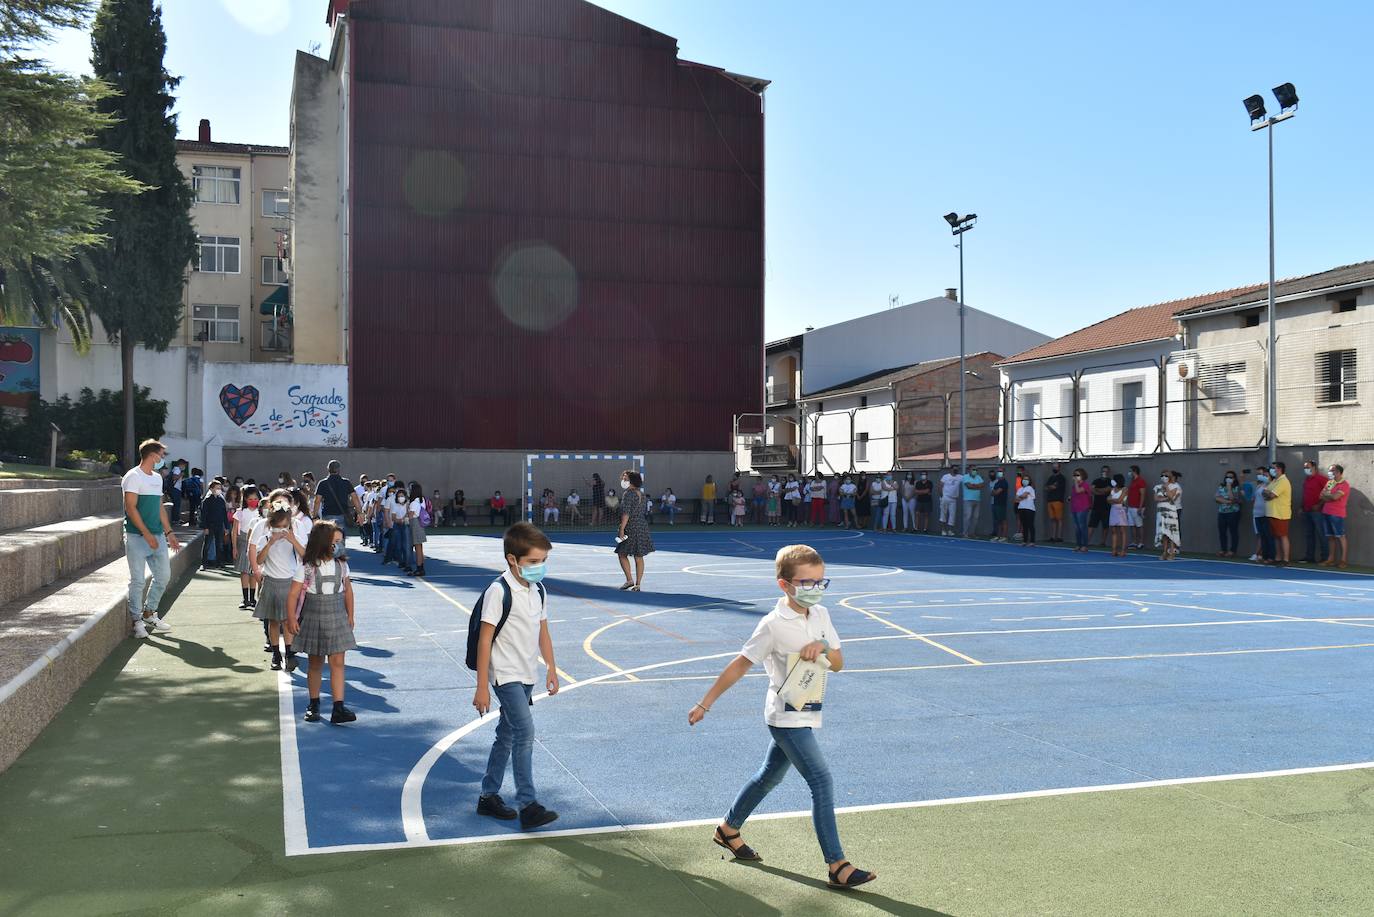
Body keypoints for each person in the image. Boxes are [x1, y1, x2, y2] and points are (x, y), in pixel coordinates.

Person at [687, 544, 875, 890]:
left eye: (821, 582)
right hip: (784, 716)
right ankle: (837, 865)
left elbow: (839, 662)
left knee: (767, 777)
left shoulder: (821, 616)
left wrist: (823, 647)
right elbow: (741, 664)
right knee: (822, 781)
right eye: (807, 583)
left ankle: (728, 829)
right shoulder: (772, 625)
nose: (815, 589)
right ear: (784, 585)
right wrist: (706, 703)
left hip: (809, 709)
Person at [472, 522, 560, 830]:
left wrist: (551, 667)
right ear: (513, 559)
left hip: (527, 673)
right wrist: (482, 686)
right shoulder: (499, 591)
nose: (540, 567)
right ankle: (528, 805)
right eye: (533, 562)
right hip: (505, 675)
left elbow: (543, 631)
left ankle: (488, 796)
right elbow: (485, 640)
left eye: (543, 561)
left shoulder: (538, 590)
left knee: (506, 735)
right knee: (524, 732)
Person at [285, 520, 357, 725]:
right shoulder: (307, 567)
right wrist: (291, 618)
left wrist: (350, 615)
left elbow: (348, 591)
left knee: (338, 662)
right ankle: (314, 704)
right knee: (315, 663)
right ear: (323, 542)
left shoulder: (342, 565)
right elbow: (293, 594)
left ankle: (338, 707)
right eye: (335, 541)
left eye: (341, 542)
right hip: (314, 614)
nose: (339, 545)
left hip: (337, 615)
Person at [121, 440, 181, 639]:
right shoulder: (132, 476)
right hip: (137, 537)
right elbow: (130, 508)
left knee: (163, 576)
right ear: (152, 455)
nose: (163, 459)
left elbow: (159, 507)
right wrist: (146, 534)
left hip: (157, 536)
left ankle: (149, 613)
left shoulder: (157, 478)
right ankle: (136, 621)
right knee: (138, 581)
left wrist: (169, 533)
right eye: (162, 455)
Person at [249, 504, 302, 672]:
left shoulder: (294, 537)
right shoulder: (265, 538)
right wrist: (270, 542)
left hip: (290, 582)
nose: (280, 529)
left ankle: (289, 652)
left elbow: (306, 556)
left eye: (284, 525)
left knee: (288, 620)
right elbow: (259, 560)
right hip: (271, 581)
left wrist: (293, 539)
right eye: (277, 526)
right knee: (273, 621)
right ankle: (276, 655)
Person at [616, 470, 655, 591]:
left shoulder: (628, 494)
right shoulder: (641, 494)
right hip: (642, 525)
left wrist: (622, 528)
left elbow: (626, 513)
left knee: (622, 553)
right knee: (639, 555)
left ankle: (629, 580)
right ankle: (638, 584)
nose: (623, 480)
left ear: (632, 481)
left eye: (626, 478)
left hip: (631, 526)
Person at [316, 460, 362, 545]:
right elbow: (355, 498)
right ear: (339, 470)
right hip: (342, 513)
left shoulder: (323, 483)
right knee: (340, 539)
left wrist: (314, 514)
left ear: (328, 469)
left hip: (327, 513)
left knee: (327, 539)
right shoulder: (346, 482)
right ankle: (340, 556)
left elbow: (317, 501)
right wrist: (360, 513)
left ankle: (328, 556)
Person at [232, 486, 263, 609]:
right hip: (243, 541)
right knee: (244, 571)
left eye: (256, 498)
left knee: (253, 571)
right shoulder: (240, 512)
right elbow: (234, 531)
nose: (253, 501)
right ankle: (245, 599)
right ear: (245, 499)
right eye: (250, 499)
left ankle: (252, 598)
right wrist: (234, 547)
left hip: (256, 542)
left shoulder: (260, 513)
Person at [1319, 464, 1350, 568]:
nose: (1330, 472)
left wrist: (1329, 496)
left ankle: (1343, 560)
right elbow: (1321, 496)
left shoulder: (1344, 484)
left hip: (1337, 514)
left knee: (1340, 536)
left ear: (1338, 472)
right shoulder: (1330, 483)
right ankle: (1330, 559)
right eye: (1329, 470)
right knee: (1330, 537)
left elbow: (1335, 497)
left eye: (1332, 470)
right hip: (1326, 512)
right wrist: (1329, 497)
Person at [1262, 462, 1292, 567]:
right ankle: (1278, 558)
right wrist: (1268, 494)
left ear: (1279, 469)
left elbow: (1271, 495)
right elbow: (1264, 493)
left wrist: (1268, 494)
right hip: (1272, 513)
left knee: (1283, 536)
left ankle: (1286, 559)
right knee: (1276, 537)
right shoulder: (1275, 481)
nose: (1271, 470)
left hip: (1280, 514)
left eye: (1273, 468)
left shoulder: (1283, 481)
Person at [1300, 461, 1330, 565]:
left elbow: (1328, 492)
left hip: (1318, 512)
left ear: (1314, 467)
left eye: (1308, 467)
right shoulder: (1307, 479)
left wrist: (1319, 505)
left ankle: (1325, 557)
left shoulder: (1321, 479)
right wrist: (1301, 507)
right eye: (1304, 467)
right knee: (1309, 535)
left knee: (1322, 534)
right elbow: (1305, 494)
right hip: (1307, 511)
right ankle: (1309, 557)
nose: (1306, 469)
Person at [199, 479, 229, 570]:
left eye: (220, 488)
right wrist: (205, 527)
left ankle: (219, 562)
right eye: (217, 488)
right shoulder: (207, 500)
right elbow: (203, 515)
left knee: (219, 544)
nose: (219, 490)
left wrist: (226, 526)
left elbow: (224, 514)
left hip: (219, 525)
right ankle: (204, 563)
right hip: (210, 525)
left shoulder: (221, 500)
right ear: (211, 489)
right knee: (207, 544)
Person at [1154, 470, 1183, 561]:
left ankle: (1172, 552)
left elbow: (1172, 498)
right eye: (1162, 475)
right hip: (1161, 512)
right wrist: (1165, 499)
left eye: (1166, 476)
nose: (1164, 477)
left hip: (1171, 512)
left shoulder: (1175, 486)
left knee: (1171, 532)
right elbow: (1156, 498)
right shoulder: (1157, 486)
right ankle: (1164, 552)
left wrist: (1166, 487)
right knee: (1163, 532)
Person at [1215, 471, 1243, 557]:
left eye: (1231, 477)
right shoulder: (1221, 486)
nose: (1228, 479)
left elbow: (1233, 498)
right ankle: (1223, 549)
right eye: (1227, 477)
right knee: (1222, 532)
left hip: (1233, 513)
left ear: (1234, 478)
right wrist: (1227, 502)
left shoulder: (1237, 488)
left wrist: (1229, 487)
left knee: (1233, 532)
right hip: (1222, 512)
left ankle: (1232, 551)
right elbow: (1216, 498)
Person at [1251, 469, 1273, 563]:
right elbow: (1253, 498)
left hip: (1266, 513)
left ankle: (1270, 556)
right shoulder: (1260, 486)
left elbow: (1269, 497)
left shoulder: (1271, 485)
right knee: (1261, 535)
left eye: (1266, 475)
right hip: (1257, 513)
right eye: (1263, 475)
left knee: (1268, 535)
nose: (1264, 477)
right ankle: (1262, 555)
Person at [407, 482, 429, 577]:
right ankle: (421, 567)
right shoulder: (421, 500)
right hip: (419, 524)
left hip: (415, 524)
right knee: (419, 547)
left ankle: (419, 567)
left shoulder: (414, 502)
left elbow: (411, 515)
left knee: (418, 547)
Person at [1070, 468, 1092, 552]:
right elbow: (1074, 494)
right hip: (1075, 508)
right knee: (1077, 527)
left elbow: (1078, 491)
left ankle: (1084, 545)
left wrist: (1076, 482)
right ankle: (1078, 544)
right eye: (1075, 475)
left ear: (1082, 476)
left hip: (1082, 508)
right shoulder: (1074, 486)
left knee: (1082, 526)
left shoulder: (1085, 485)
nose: (1076, 477)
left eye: (1078, 475)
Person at [1090, 466, 1112, 546]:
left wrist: (1098, 489)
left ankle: (1103, 542)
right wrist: (1101, 491)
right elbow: (1091, 490)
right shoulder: (1096, 481)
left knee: (1105, 525)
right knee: (1092, 524)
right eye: (1103, 471)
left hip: (1106, 507)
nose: (1104, 473)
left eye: (1106, 471)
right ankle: (1087, 541)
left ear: (1108, 472)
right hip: (1096, 506)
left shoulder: (1110, 481)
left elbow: (1108, 489)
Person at [1126, 465, 1147, 550]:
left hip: (1137, 507)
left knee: (1139, 525)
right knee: (1132, 525)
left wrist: (1140, 507)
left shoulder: (1141, 481)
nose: (1129, 473)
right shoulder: (1132, 481)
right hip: (1130, 506)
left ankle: (1141, 542)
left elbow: (1143, 494)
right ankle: (1134, 542)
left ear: (1134, 471)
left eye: (1130, 471)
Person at [1044, 463, 1066, 543]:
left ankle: (1059, 537)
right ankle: (1053, 537)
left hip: (1058, 500)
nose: (1054, 468)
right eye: (1053, 467)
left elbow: (1054, 487)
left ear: (1059, 468)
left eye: (1056, 467)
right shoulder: (1051, 477)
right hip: (1050, 500)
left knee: (1059, 519)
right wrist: (1051, 487)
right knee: (1052, 519)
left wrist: (1051, 487)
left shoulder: (1061, 478)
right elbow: (1046, 488)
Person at [1108, 474, 1129, 557]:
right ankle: (1114, 550)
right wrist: (1114, 500)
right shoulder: (1112, 489)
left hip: (1121, 510)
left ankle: (1123, 550)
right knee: (1113, 530)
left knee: (1122, 530)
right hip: (1113, 510)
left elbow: (1120, 500)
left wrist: (1112, 500)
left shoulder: (1125, 489)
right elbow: (1107, 500)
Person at [961, 467, 985, 538]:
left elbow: (983, 485)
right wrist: (977, 486)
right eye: (973, 469)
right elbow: (969, 486)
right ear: (969, 470)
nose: (975, 471)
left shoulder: (978, 477)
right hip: (968, 500)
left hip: (977, 500)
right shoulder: (965, 477)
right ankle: (965, 533)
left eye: (976, 470)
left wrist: (974, 485)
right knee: (967, 516)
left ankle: (972, 533)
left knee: (975, 517)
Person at [938, 467, 962, 536]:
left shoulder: (960, 477)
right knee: (943, 514)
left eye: (956, 469)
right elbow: (940, 486)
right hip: (945, 497)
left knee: (952, 515)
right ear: (951, 470)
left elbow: (966, 480)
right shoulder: (945, 476)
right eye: (954, 469)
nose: (956, 470)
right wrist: (942, 496)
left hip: (953, 499)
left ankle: (950, 531)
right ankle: (943, 530)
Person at [1015, 475, 1037, 547]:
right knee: (1024, 525)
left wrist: (1021, 497)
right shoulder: (1020, 489)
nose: (1025, 480)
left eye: (1027, 479)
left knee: (1030, 524)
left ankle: (1032, 541)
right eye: (1024, 479)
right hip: (1021, 508)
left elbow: (1024, 496)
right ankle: (1025, 541)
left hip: (1029, 509)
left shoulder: (1030, 488)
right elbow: (1016, 499)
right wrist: (1022, 497)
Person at [990, 468, 1009, 542]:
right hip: (995, 503)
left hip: (1001, 504)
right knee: (997, 520)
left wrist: (995, 492)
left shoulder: (1004, 482)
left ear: (1004, 473)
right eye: (998, 471)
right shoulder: (997, 482)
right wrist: (994, 492)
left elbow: (997, 492)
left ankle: (1004, 536)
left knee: (1003, 520)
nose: (999, 473)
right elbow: (992, 493)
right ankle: (998, 536)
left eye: (1001, 471)